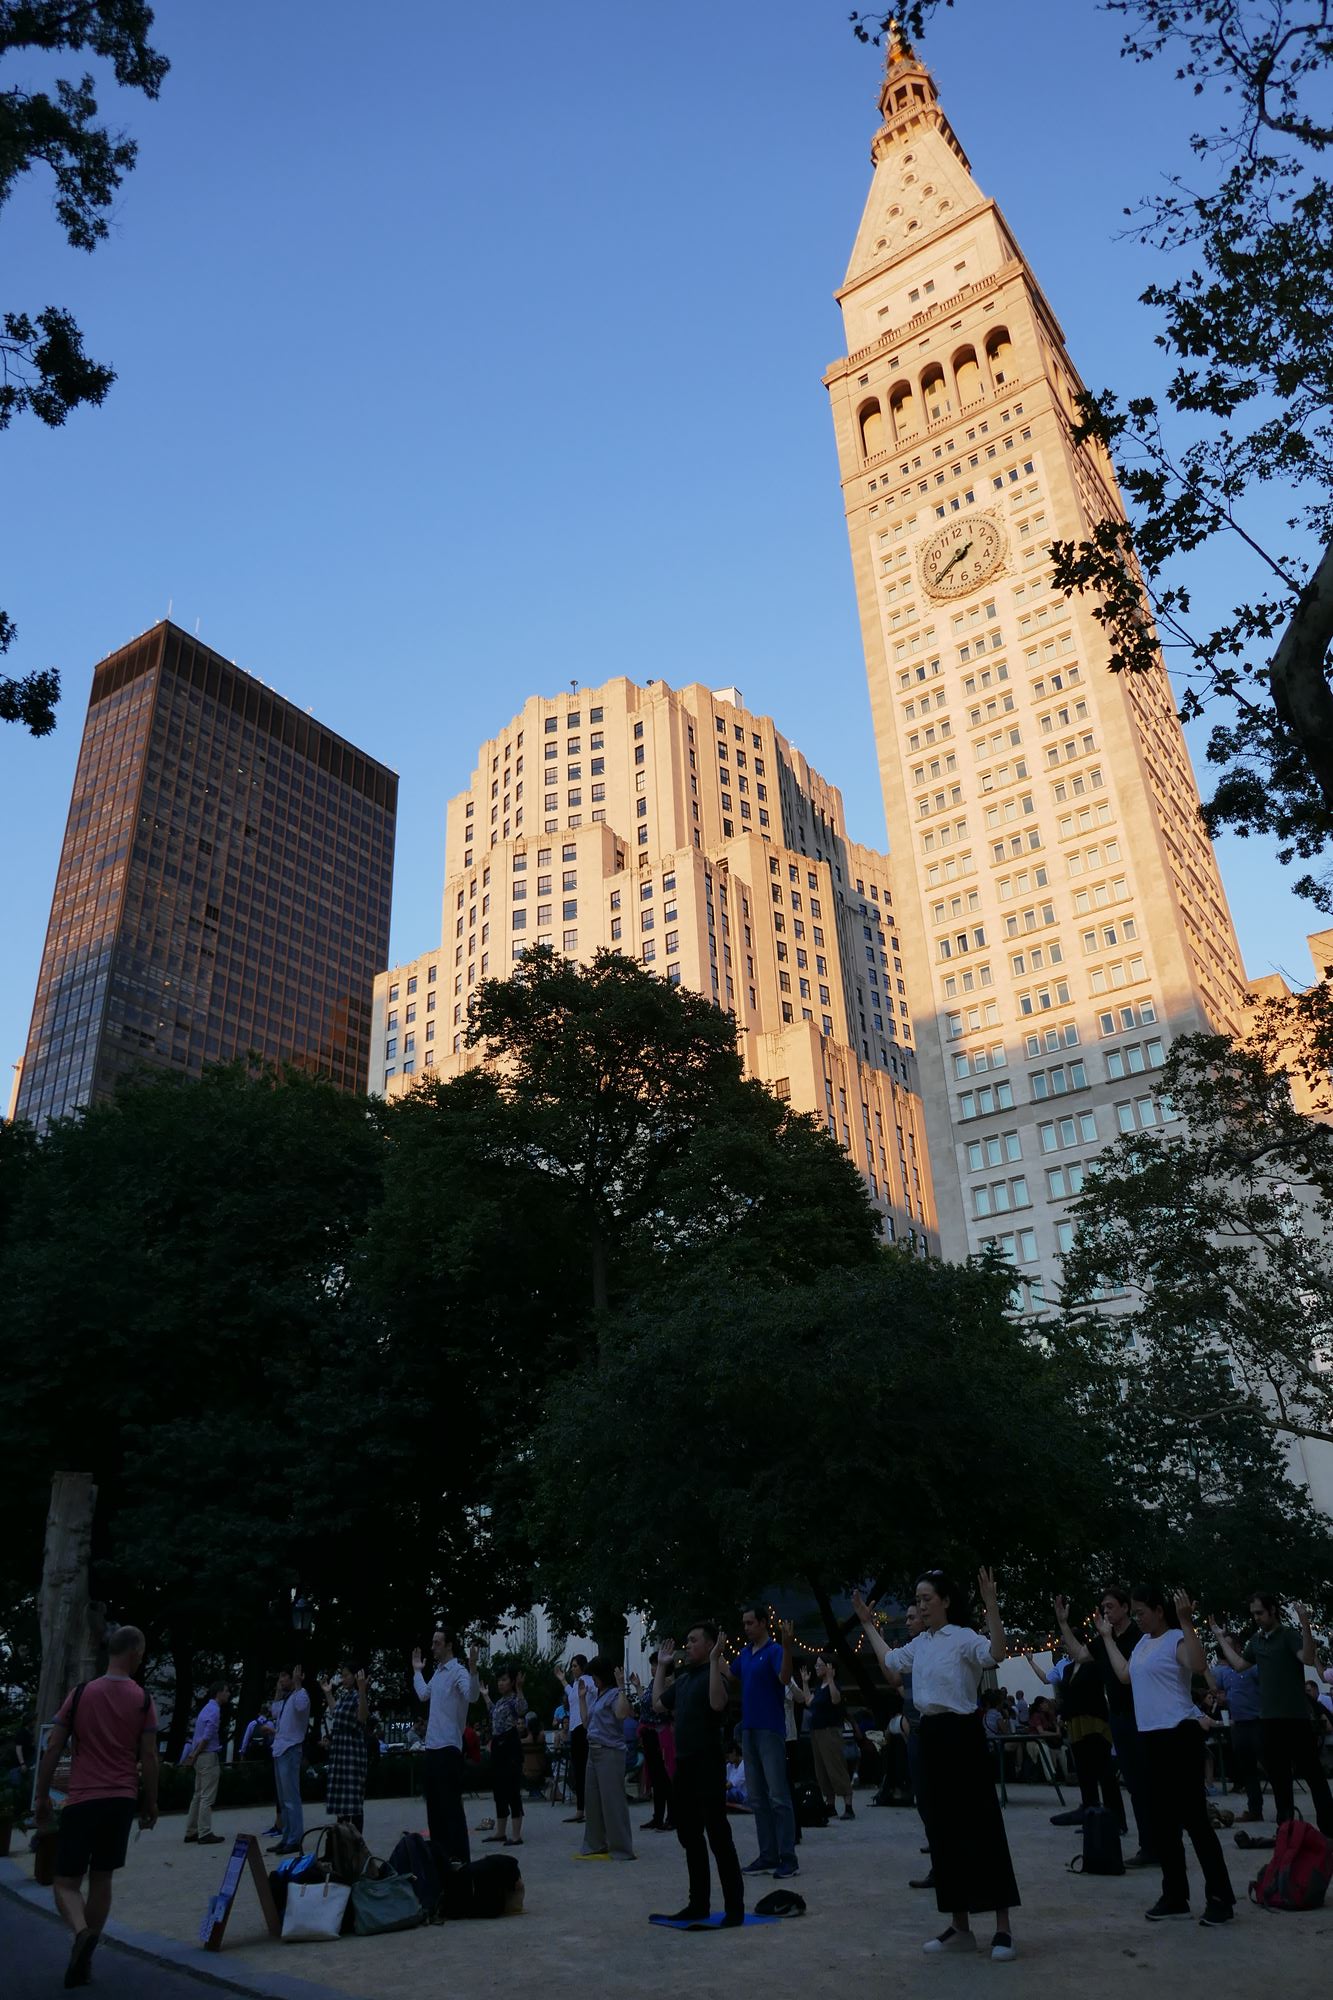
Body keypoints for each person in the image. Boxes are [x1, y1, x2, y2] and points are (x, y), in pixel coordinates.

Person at [855, 1567, 1019, 1962]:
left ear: (945, 1601)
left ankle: (1002, 1928)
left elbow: (996, 1654)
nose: (921, 1606)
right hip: (929, 1736)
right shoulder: (921, 1644)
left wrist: (992, 1605)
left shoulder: (963, 1637)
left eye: (927, 1599)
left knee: (982, 1825)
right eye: (917, 1599)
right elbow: (891, 1661)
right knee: (942, 1830)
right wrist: (867, 1624)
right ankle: (960, 1927)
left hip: (962, 1735)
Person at [1097, 1586, 1234, 1926]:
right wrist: (1107, 1639)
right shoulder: (1143, 1644)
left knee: (1195, 1821)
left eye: (1142, 1613)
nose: (1139, 1619)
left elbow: (1198, 1664)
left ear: (1159, 1611)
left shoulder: (1175, 1639)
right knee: (1163, 1825)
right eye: (1136, 1613)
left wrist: (1186, 1621)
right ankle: (1175, 1896)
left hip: (1179, 1734)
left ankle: (1220, 1898)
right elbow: (1125, 1675)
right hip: (1150, 1737)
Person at [33, 1624, 159, 1991]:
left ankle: (81, 1933)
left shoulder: (81, 1694)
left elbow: (54, 1746)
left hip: (83, 1798)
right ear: (134, 1653)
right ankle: (85, 1957)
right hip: (120, 1799)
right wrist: (150, 1801)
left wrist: (41, 1795)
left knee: (65, 1882)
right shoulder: (143, 1700)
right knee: (102, 1878)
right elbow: (149, 1756)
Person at [1211, 1595, 1333, 1836]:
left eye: (1260, 1613)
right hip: (1269, 1719)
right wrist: (1219, 1637)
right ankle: (1285, 1829)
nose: (1256, 1618)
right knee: (1279, 1778)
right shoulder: (1256, 1641)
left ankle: (1329, 1828)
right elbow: (1239, 1664)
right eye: (1253, 1614)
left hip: (1295, 1717)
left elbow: (1308, 1658)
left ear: (1273, 1610)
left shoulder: (1287, 1635)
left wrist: (1305, 1624)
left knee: (1313, 1774)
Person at [651, 1626, 744, 1927]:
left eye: (693, 1641)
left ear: (709, 1645)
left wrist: (715, 1660)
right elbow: (657, 1704)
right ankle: (698, 1904)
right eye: (687, 1640)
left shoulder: (713, 1675)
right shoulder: (684, 1679)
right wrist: (661, 1667)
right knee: (689, 1834)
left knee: (718, 1835)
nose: (687, 1645)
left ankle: (734, 1908)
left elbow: (717, 1703)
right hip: (685, 1765)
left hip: (708, 1762)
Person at [1056, 1587, 1155, 1865]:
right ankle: (1148, 1846)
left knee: (1148, 1784)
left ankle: (1157, 1844)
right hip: (1119, 1717)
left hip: (1142, 1715)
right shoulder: (1104, 1639)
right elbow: (1079, 1653)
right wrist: (1063, 1623)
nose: (1106, 1612)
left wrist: (1107, 1638)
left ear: (1125, 1608)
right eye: (1103, 1607)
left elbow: (1127, 1675)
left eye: (1110, 1606)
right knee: (1134, 1784)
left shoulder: (1139, 1637)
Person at [722, 1607, 798, 1880]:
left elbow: (784, 1679)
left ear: (764, 1623)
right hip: (749, 1729)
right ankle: (768, 1854)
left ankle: (788, 1858)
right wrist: (715, 1653)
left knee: (778, 1795)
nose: (746, 1627)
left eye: (750, 1623)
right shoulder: (745, 1654)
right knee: (757, 1796)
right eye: (744, 1623)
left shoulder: (775, 1651)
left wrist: (787, 1647)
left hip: (770, 1729)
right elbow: (730, 1675)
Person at [411, 1628, 481, 1866]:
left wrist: (473, 1669)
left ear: (449, 1645)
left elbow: (472, 1696)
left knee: (451, 1808)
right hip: (432, 1747)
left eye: (437, 1643)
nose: (433, 1647)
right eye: (433, 1642)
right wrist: (417, 1671)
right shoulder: (439, 1673)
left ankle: (460, 1860)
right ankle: (440, 1860)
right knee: (434, 1810)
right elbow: (423, 1694)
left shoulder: (458, 1671)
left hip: (449, 1747)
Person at [578, 1658, 635, 1860]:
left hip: (610, 1752)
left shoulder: (613, 1694)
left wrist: (621, 1687)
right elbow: (586, 1723)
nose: (592, 1680)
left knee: (613, 1801)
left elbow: (621, 1714)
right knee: (592, 1801)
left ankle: (621, 1848)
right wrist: (582, 1699)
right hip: (593, 1752)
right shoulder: (598, 1696)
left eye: (594, 1676)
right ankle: (595, 1844)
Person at [1209, 1629, 1264, 1823]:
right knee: (1247, 1768)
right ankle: (1255, 1809)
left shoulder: (1252, 1668)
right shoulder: (1225, 1673)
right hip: (1238, 1724)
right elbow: (1219, 1691)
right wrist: (1222, 1699)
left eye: (1229, 1645)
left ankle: (1285, 1810)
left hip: (1257, 1722)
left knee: (1269, 1765)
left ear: (1239, 1648)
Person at [319, 1664, 370, 1832]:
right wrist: (328, 1693)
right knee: (341, 1802)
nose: (343, 1679)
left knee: (353, 1802)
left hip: (352, 1755)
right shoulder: (345, 1696)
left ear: (356, 1676)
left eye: (346, 1675)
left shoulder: (357, 1696)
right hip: (340, 1754)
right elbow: (336, 1713)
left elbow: (362, 1717)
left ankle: (355, 1841)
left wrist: (362, 1690)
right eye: (342, 1676)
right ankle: (341, 1840)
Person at [480, 1665, 526, 1847]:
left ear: (512, 1682)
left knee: (512, 1790)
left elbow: (522, 1709)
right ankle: (500, 1832)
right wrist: (485, 1696)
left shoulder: (514, 1700)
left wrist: (520, 1689)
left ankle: (516, 1835)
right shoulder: (500, 1702)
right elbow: (493, 1713)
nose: (500, 1683)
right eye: (499, 1680)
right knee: (499, 1790)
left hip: (510, 1745)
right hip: (498, 1745)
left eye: (504, 1680)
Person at [181, 1680, 230, 1845]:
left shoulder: (206, 1709)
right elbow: (207, 1737)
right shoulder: (215, 1711)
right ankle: (205, 1832)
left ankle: (191, 1831)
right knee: (207, 1796)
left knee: (198, 1794)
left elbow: (199, 1735)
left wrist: (193, 1755)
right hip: (208, 1755)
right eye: (226, 1691)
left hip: (200, 1757)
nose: (228, 1694)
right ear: (219, 1693)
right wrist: (195, 1753)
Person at [268, 1664, 310, 1856]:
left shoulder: (301, 1695)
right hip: (280, 1750)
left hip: (291, 1749)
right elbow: (274, 1712)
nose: (282, 1680)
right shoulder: (286, 1699)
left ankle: (295, 1839)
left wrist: (298, 1683)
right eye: (281, 1677)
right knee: (283, 1799)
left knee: (291, 1797)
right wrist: (279, 1691)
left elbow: (301, 1707)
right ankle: (286, 1837)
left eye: (285, 1676)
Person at [807, 1655, 855, 1820]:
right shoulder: (818, 1687)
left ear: (829, 1667)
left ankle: (848, 1805)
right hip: (817, 1732)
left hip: (830, 1731)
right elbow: (808, 1702)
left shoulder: (833, 1685)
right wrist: (805, 1683)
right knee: (822, 1769)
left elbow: (835, 1700)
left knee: (836, 1766)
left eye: (820, 1665)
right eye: (816, 1665)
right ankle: (830, 1804)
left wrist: (830, 1678)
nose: (816, 1667)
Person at [555, 1653, 596, 1825]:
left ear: (582, 1667)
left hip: (583, 1728)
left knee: (584, 1770)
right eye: (572, 1666)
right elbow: (571, 1694)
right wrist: (563, 1680)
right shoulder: (576, 1683)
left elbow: (595, 1691)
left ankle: (588, 1809)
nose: (572, 1669)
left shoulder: (588, 1681)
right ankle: (580, 1809)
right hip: (575, 1730)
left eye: (575, 1666)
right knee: (578, 1771)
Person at [636, 1652, 675, 1832]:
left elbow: (658, 1706)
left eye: (655, 1665)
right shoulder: (654, 1683)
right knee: (656, 1777)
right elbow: (646, 1702)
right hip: (649, 1733)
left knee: (665, 1777)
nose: (652, 1668)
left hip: (661, 1734)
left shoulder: (667, 1683)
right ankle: (658, 1817)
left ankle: (672, 1817)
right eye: (652, 1665)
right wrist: (638, 1687)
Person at [520, 1711, 548, 1801]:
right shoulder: (542, 1738)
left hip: (526, 1772)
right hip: (541, 1770)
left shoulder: (523, 1741)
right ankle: (536, 1790)